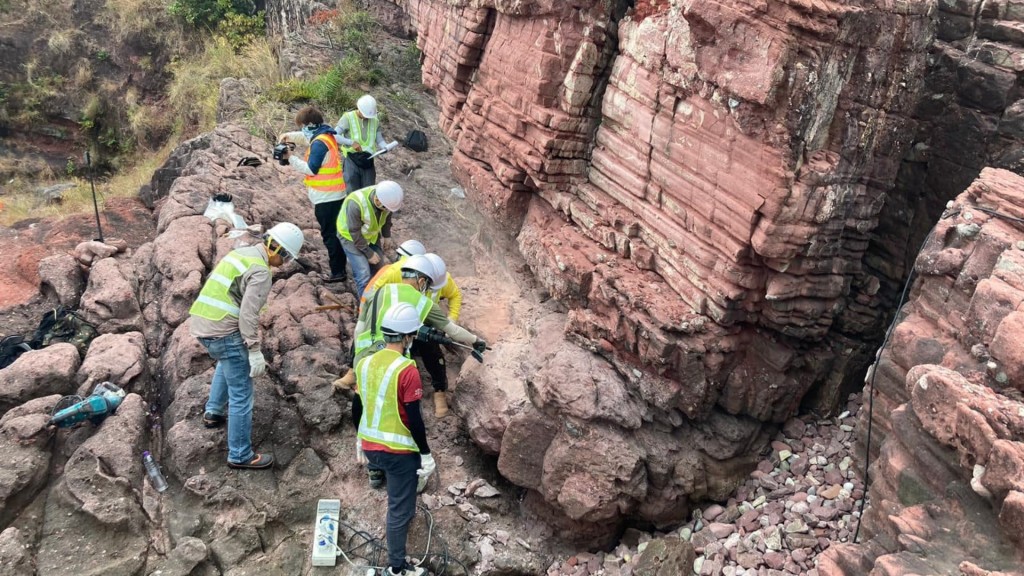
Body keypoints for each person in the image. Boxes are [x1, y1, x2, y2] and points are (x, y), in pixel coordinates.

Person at [189, 222, 305, 470]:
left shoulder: (241, 252)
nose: (285, 264)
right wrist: (253, 349)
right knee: (242, 393)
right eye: (286, 258)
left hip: (202, 323)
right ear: (280, 252)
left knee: (228, 361)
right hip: (223, 331)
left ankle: (213, 411)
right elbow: (248, 316)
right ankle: (240, 454)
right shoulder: (261, 272)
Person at [334, 255, 486, 413]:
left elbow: (359, 330)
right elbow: (453, 331)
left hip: (364, 359)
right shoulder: (423, 302)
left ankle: (355, 380)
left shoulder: (378, 292)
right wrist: (475, 340)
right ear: (421, 282)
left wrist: (358, 362)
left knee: (363, 400)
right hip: (394, 364)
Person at [352, 302, 433, 576]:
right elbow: (414, 419)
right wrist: (425, 454)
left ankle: (397, 558)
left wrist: (359, 438)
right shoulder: (406, 370)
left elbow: (358, 406)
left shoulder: (364, 363)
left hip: (371, 449)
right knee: (399, 510)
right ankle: (396, 568)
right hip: (397, 454)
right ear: (407, 336)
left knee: (398, 501)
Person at [369, 252, 463, 417]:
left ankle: (439, 390)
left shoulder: (443, 279)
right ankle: (355, 373)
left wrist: (452, 319)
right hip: (395, 321)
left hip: (423, 322)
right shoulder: (396, 272)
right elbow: (374, 292)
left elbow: (455, 296)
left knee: (433, 351)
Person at [277, 107, 348, 283]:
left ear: (308, 125)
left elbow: (311, 169)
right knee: (336, 233)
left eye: (302, 126)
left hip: (326, 198)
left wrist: (290, 158)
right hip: (336, 194)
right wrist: (289, 135)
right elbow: (305, 137)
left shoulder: (318, 144)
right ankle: (340, 268)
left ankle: (338, 272)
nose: (301, 130)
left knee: (330, 235)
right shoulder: (326, 135)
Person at [337, 181, 404, 297]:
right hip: (350, 237)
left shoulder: (387, 198)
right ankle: (364, 309)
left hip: (370, 236)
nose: (387, 210)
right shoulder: (356, 204)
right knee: (363, 274)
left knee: (379, 269)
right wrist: (369, 253)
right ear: (377, 200)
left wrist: (387, 236)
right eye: (386, 208)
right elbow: (354, 232)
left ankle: (376, 298)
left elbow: (387, 219)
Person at [335, 94, 389, 192]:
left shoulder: (375, 121)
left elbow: (380, 140)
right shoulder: (348, 118)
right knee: (352, 191)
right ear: (359, 109)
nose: (367, 117)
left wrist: (385, 147)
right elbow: (334, 136)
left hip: (368, 161)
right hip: (351, 159)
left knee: (368, 192)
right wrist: (351, 142)